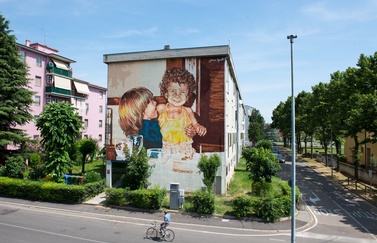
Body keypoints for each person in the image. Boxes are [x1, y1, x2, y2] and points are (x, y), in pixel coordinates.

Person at [157, 67, 207, 159]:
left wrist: (199, 128)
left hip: (184, 150)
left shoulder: (188, 111)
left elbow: (196, 125)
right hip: (165, 150)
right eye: (173, 91)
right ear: (166, 94)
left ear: (187, 97)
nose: (177, 95)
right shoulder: (160, 109)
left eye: (182, 92)